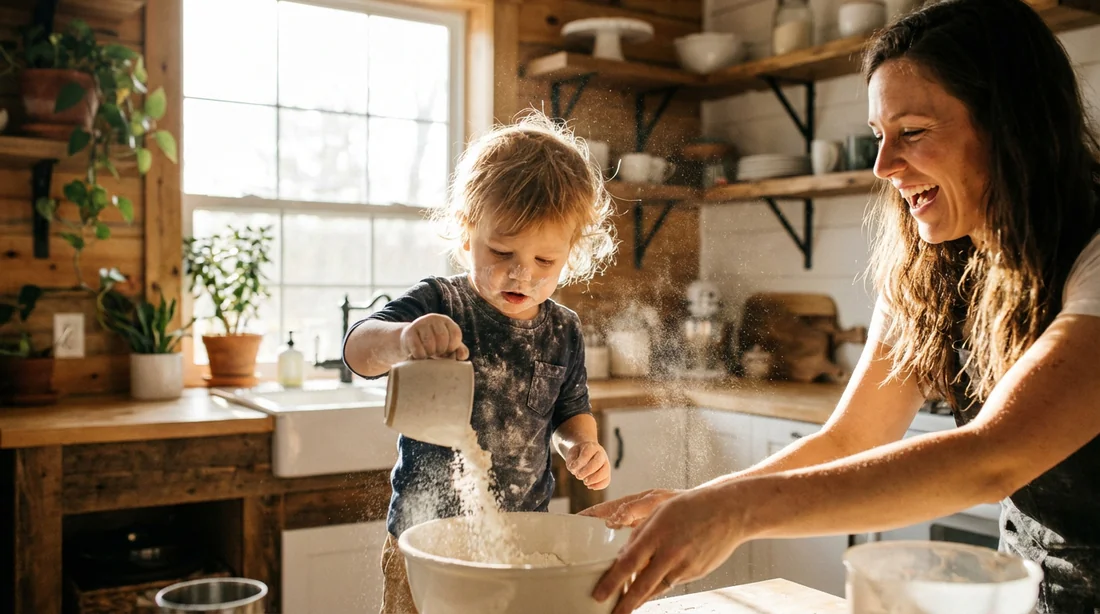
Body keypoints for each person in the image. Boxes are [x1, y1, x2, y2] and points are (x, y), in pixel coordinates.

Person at [580, 1, 1100, 612]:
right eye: (879, 136)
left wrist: (735, 512)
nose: (884, 166)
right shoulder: (932, 272)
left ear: (1012, 127)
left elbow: (995, 457)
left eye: (913, 132)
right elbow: (853, 437)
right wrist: (697, 503)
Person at [343, 111, 618, 614]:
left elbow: (569, 412)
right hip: (423, 544)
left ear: (571, 253)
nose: (521, 274)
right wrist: (403, 338)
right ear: (467, 232)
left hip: (518, 543)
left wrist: (582, 445)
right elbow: (359, 350)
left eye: (544, 261)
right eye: (501, 250)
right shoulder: (440, 303)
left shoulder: (564, 330)